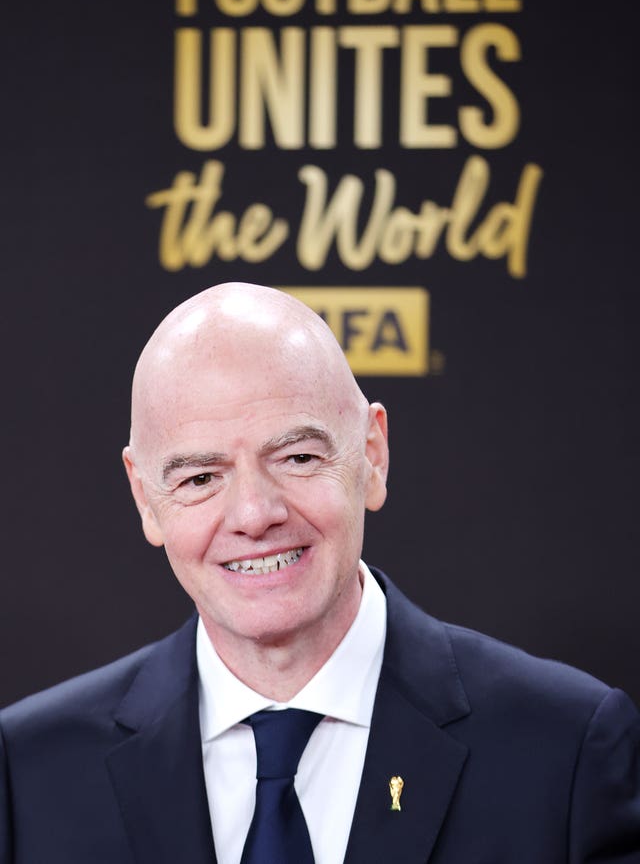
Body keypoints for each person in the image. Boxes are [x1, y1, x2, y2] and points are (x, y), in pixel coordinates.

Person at [1, 281, 639, 864]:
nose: (254, 514)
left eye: (298, 457)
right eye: (200, 477)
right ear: (145, 497)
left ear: (373, 454)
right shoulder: (27, 774)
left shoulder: (569, 752)